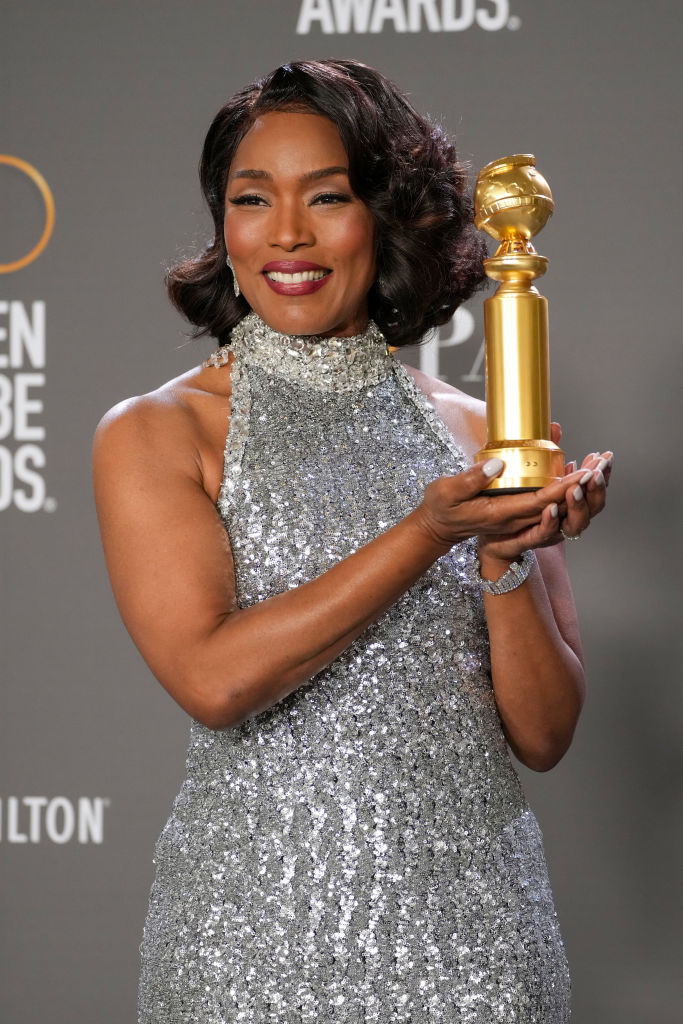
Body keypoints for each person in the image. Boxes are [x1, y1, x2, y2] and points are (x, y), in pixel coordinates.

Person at [92, 59, 612, 1023]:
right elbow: (215, 681)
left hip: (478, 945)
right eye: (252, 200)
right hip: (249, 948)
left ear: (387, 215)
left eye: (326, 197)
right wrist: (428, 531)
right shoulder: (159, 430)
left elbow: (543, 736)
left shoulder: (476, 434)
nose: (286, 234)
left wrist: (503, 553)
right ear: (224, 229)